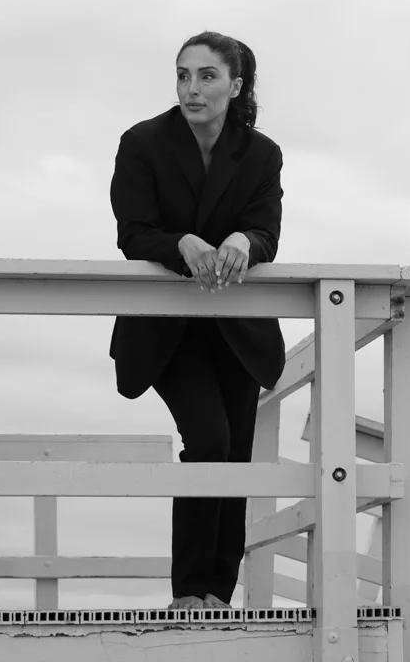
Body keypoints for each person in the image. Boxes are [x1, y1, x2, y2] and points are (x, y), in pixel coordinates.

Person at [109, 31, 285, 610]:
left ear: (235, 86)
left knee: (235, 453)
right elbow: (132, 233)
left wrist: (243, 238)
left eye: (207, 76)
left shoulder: (261, 154)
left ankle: (218, 594)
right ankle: (189, 594)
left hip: (236, 325)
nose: (192, 88)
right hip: (168, 326)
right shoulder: (142, 143)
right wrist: (182, 241)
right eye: (183, 74)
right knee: (208, 440)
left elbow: (267, 235)